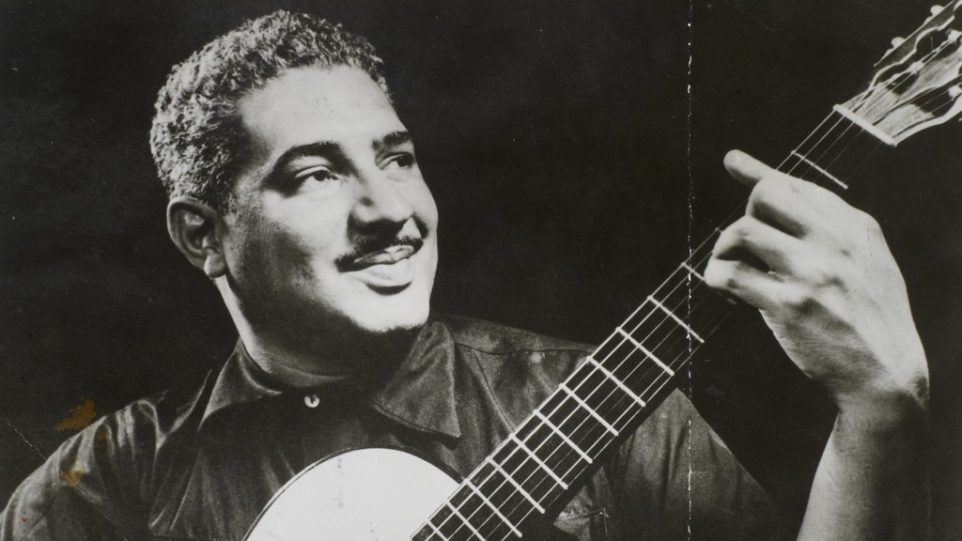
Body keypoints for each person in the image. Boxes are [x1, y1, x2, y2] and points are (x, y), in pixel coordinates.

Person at [0, 10, 929, 541]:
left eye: (397, 158)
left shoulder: (601, 399)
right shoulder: (106, 483)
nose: (390, 211)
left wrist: (874, 419)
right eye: (318, 174)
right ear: (204, 235)